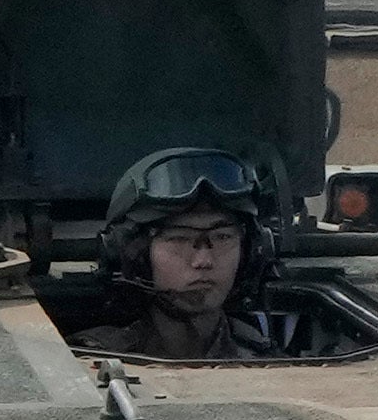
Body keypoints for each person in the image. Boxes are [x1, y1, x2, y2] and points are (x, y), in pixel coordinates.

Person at [59, 145, 307, 361]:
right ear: (135, 255)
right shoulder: (90, 361)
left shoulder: (264, 361)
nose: (203, 261)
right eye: (179, 239)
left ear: (252, 251)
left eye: (222, 238)